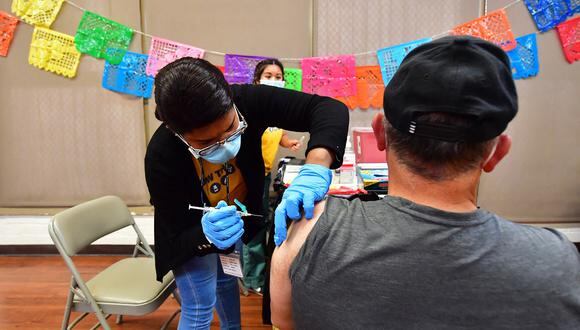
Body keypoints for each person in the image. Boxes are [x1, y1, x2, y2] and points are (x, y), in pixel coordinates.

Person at [270, 36, 580, 329]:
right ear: (497, 153)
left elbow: (283, 320)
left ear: (380, 134)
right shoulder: (557, 265)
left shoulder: (308, 232)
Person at [145, 57, 348, 329]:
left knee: (228, 278)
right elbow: (176, 234)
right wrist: (204, 235)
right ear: (177, 132)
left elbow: (328, 109)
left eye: (230, 128)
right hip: (193, 233)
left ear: (230, 98)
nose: (225, 144)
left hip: (234, 219)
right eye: (206, 142)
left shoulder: (247, 100)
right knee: (199, 306)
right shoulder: (162, 155)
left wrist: (316, 167)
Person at [239, 58, 302, 295]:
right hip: (248, 176)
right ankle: (252, 278)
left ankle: (257, 271)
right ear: (257, 80)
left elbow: (277, 133)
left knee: (262, 221)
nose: (274, 80)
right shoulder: (250, 105)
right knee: (254, 224)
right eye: (268, 75)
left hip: (264, 173)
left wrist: (288, 142)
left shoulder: (276, 108)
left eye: (278, 76)